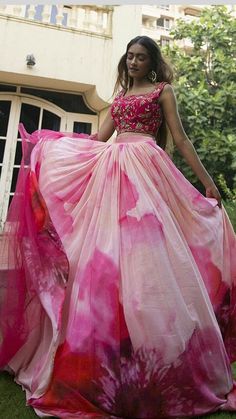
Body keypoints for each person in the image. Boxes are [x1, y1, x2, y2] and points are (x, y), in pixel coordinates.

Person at [0, 35, 236, 418]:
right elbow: (99, 138)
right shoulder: (120, 97)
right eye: (130, 56)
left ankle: (156, 356)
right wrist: (56, 147)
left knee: (150, 259)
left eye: (141, 57)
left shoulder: (164, 91)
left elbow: (179, 137)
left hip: (147, 168)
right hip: (112, 172)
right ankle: (99, 354)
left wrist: (207, 181)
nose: (134, 62)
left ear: (153, 62)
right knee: (101, 259)